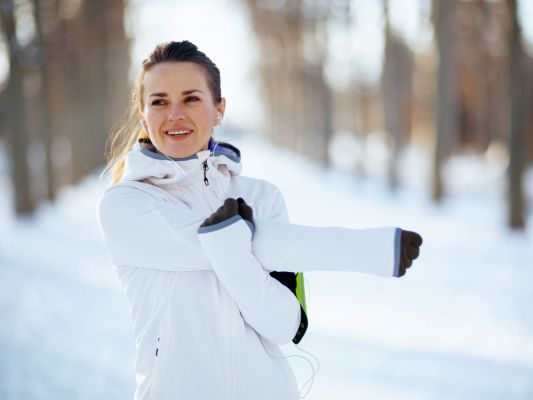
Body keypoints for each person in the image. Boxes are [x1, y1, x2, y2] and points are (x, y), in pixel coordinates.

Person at [97, 40, 422, 400]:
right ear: (142, 113)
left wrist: (229, 242)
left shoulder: (263, 197)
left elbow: (285, 325)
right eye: (159, 101)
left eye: (191, 98)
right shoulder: (126, 204)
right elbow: (235, 242)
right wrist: (370, 250)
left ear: (218, 110)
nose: (174, 114)